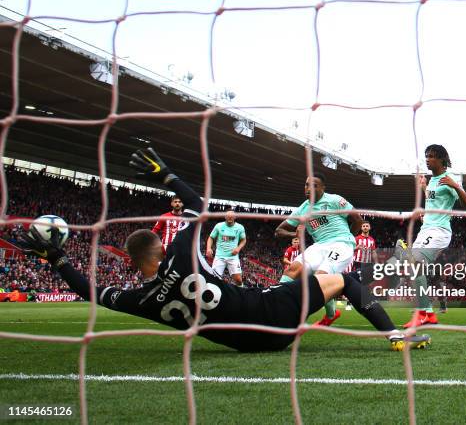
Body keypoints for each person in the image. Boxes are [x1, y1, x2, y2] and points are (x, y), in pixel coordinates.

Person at [18, 148, 430, 352]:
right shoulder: (179, 256)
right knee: (345, 279)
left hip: (253, 344)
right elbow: (200, 208)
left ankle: (333, 309)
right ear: (160, 247)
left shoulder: (138, 300)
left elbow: (90, 291)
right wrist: (168, 176)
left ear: (132, 260)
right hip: (272, 314)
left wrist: (57, 260)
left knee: (298, 276)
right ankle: (394, 334)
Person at [274, 173, 363, 327]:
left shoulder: (335, 200)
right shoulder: (303, 209)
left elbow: (358, 220)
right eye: (306, 185)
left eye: (314, 185)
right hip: (319, 246)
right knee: (292, 270)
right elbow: (278, 231)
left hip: (341, 244)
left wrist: (348, 239)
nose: (309, 188)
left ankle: (311, 315)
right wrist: (293, 234)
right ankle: (275, 306)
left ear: (323, 188)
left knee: (319, 278)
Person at [403, 144, 466, 328]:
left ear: (442, 159)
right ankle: (429, 314)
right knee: (414, 268)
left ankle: (422, 313)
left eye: (432, 156)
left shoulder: (448, 180)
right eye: (426, 156)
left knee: (416, 263)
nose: (427, 159)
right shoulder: (431, 181)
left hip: (439, 231)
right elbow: (432, 201)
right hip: (426, 229)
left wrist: (455, 185)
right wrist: (424, 188)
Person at [206, 211, 246, 286]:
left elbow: (244, 240)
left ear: (235, 217)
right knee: (215, 279)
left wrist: (238, 248)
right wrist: (208, 248)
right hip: (219, 257)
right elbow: (211, 237)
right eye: (228, 216)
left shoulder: (240, 227)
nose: (230, 217)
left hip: (233, 257)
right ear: (225, 217)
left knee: (238, 280)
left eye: (231, 216)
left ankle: (241, 294)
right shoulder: (219, 226)